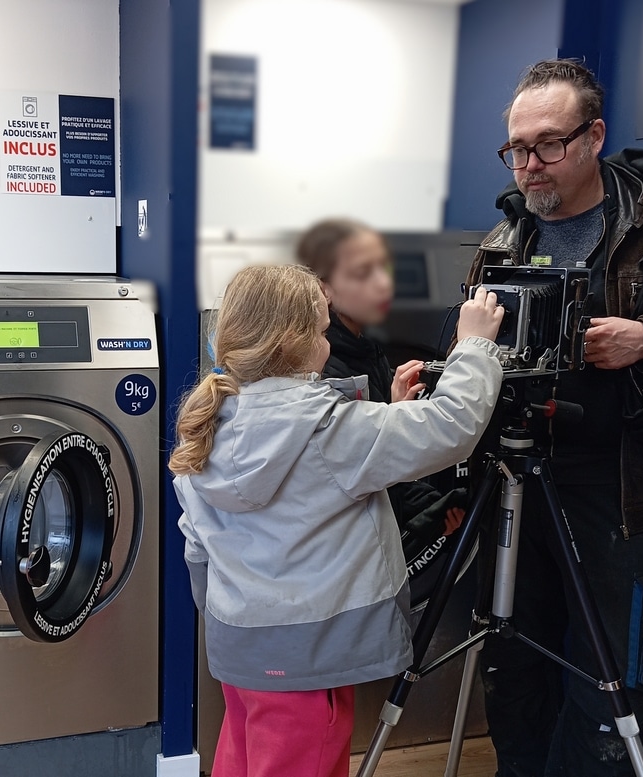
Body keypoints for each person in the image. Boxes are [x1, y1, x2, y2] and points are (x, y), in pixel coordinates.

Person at [465, 58, 643, 776]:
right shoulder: (504, 240)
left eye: (548, 146)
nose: (528, 167)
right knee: (514, 668)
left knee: (610, 688)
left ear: (594, 135)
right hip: (518, 476)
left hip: (622, 490)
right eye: (516, 149)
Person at [170, 263, 504, 777]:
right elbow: (451, 427)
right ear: (304, 341)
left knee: (243, 760)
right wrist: (474, 347)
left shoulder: (209, 426)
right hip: (309, 657)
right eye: (324, 327)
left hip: (240, 650)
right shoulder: (328, 430)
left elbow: (198, 552)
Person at [296, 218, 466, 576]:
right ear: (323, 288)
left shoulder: (367, 348)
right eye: (361, 274)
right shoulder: (326, 367)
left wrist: (428, 511)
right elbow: (352, 476)